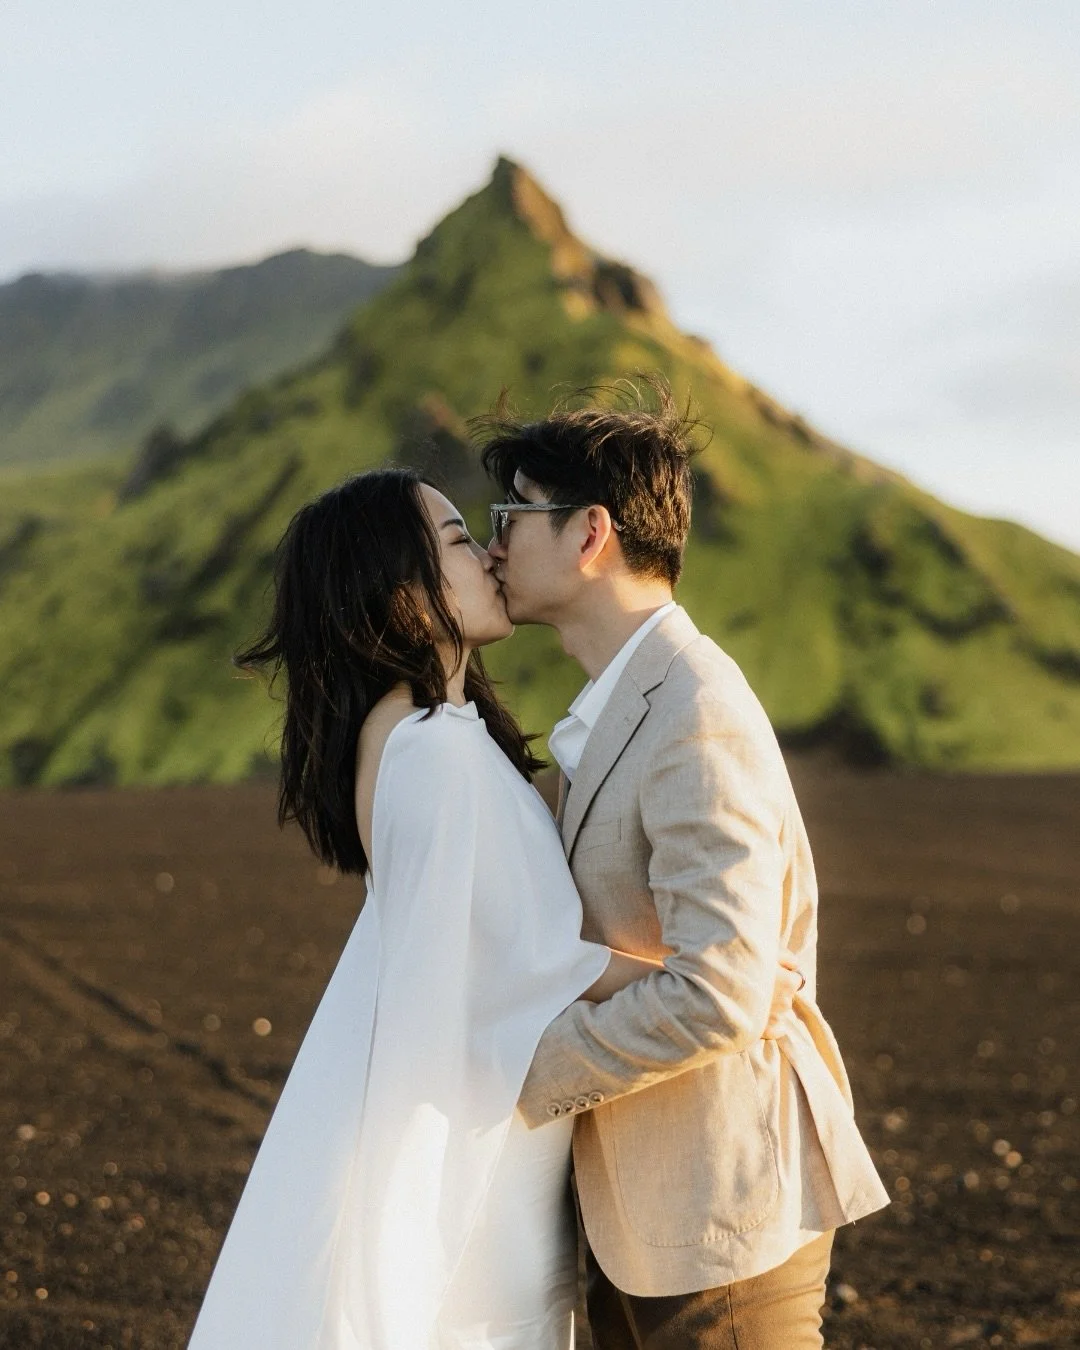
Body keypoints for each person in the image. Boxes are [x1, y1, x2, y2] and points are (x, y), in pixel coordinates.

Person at [186, 468, 800, 1350]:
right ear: (398, 591)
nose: (489, 553)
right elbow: (497, 962)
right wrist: (706, 978)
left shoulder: (426, 732)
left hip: (478, 1121)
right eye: (456, 541)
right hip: (476, 1145)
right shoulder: (432, 751)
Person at [479, 377, 890, 1350]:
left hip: (720, 1227)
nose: (494, 543)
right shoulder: (616, 711)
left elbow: (719, 993)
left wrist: (518, 1075)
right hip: (643, 1219)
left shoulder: (693, 709)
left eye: (513, 515)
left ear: (590, 535)